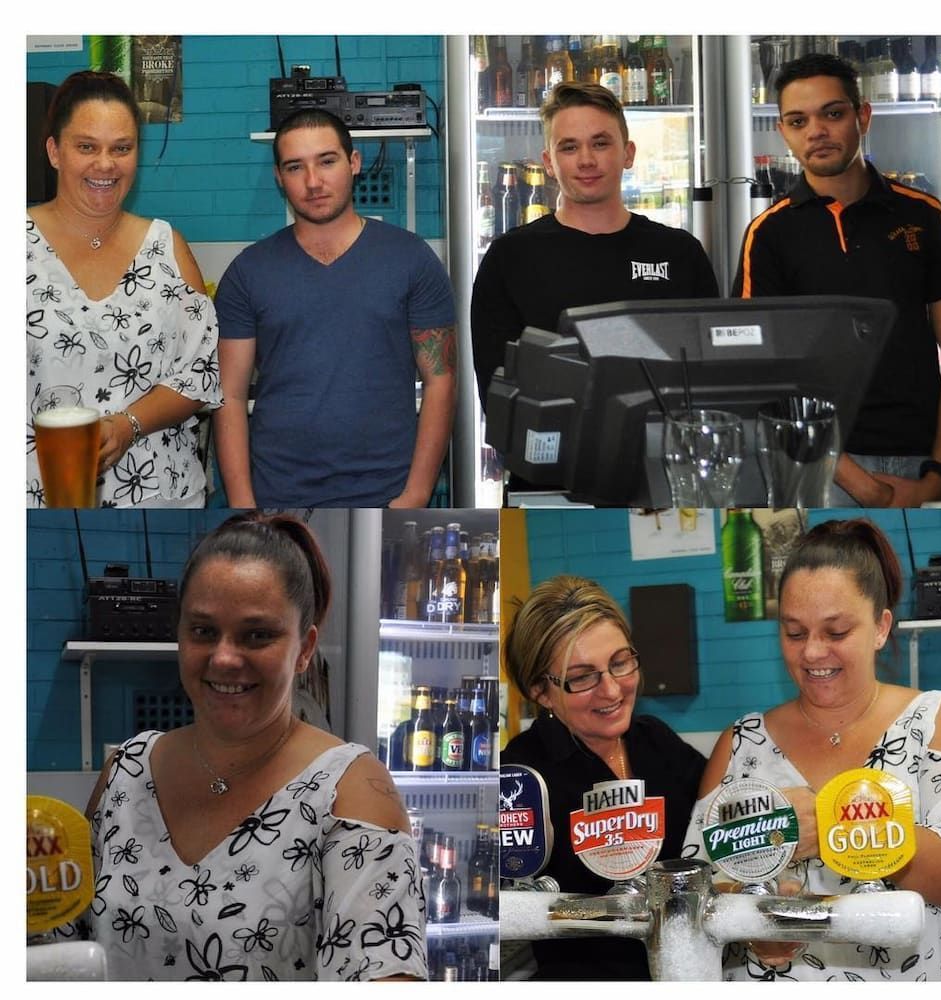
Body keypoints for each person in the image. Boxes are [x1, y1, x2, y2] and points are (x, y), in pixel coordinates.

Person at [71, 513, 426, 981]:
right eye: (202, 631)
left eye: (257, 635)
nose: (223, 657)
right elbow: (61, 940)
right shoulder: (125, 771)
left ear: (304, 649)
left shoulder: (350, 790)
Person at [683, 518, 941, 982]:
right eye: (794, 633)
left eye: (835, 632)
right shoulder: (740, 744)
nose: (813, 652)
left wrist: (837, 823)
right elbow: (697, 897)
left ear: (881, 628)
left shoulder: (939, 722)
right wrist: (754, 923)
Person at [732, 53, 941, 507]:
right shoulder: (768, 234)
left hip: (923, 460)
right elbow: (763, 375)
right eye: (798, 121)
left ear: (863, 116)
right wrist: (860, 483)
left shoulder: (922, 214)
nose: (816, 131)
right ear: (783, 132)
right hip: (817, 467)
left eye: (833, 113)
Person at [213, 109, 456, 508]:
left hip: (386, 494)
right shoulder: (248, 271)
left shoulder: (411, 259)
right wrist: (244, 504)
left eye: (326, 161)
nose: (313, 182)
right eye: (295, 167)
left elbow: (441, 382)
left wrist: (416, 492)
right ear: (279, 177)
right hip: (279, 496)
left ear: (354, 162)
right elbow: (231, 396)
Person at [27, 70, 221, 508]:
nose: (105, 164)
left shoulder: (167, 247)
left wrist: (128, 424)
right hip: (35, 497)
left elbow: (201, 373)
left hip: (159, 494)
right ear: (55, 151)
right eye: (86, 147)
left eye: (121, 148)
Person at [501, 575, 706, 980]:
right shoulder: (520, 776)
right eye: (582, 677)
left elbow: (715, 824)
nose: (612, 690)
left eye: (620, 663)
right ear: (541, 690)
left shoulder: (656, 741)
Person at [471, 80, 719, 411]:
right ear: (548, 163)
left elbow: (710, 380)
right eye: (569, 147)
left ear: (628, 153)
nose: (586, 160)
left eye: (600, 143)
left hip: (663, 459)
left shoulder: (680, 253)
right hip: (551, 461)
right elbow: (499, 398)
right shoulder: (509, 259)